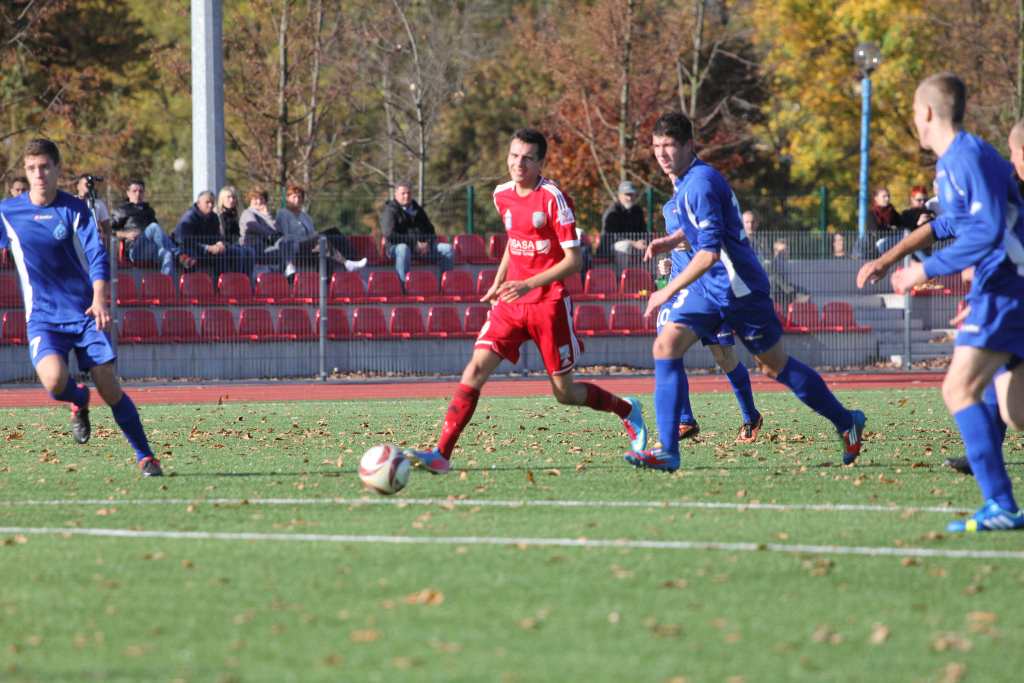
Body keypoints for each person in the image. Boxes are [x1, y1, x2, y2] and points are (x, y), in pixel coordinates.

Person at [627, 112, 864, 472]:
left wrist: (666, 291)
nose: (661, 154)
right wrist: (669, 241)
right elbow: (705, 231)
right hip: (709, 288)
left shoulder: (699, 183)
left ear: (690, 145)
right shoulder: (686, 181)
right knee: (665, 345)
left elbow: (707, 254)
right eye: (657, 146)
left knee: (774, 367)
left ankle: (846, 420)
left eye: (669, 146)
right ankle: (668, 450)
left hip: (739, 288)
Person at [405, 128, 647, 474]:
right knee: (474, 369)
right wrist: (500, 279)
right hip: (511, 304)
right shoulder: (501, 194)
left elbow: (573, 261)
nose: (519, 163)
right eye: (514, 155)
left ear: (540, 163)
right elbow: (514, 241)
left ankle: (626, 409)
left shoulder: (553, 198)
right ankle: (441, 454)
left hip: (549, 303)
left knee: (564, 393)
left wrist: (527, 284)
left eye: (528, 158)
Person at [857, 74, 1024, 532]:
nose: (915, 120)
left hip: (1004, 288)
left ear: (926, 113)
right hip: (1003, 288)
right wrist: (891, 258)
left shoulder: (966, 156)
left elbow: (987, 232)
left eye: (914, 112)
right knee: (1015, 412)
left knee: (958, 390)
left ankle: (1001, 505)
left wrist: (922, 270)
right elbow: (954, 225)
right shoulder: (956, 161)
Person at [0, 139, 162, 476]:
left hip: (85, 313)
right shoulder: (8, 212)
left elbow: (97, 254)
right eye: (32, 168)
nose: (39, 174)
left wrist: (99, 297)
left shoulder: (75, 209)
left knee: (108, 383)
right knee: (55, 382)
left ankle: (146, 456)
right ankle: (79, 399)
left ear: (58, 169)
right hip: (43, 319)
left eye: (45, 166)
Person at [648, 213, 762, 443]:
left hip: (709, 291)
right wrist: (669, 267)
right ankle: (685, 420)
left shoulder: (702, 198)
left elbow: (711, 241)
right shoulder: (670, 206)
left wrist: (683, 242)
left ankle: (751, 417)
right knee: (669, 350)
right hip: (678, 294)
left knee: (723, 357)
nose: (671, 175)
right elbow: (678, 246)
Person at [275, 184, 366, 278]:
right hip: (295, 247)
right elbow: (285, 235)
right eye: (294, 197)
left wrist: (315, 236)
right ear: (287, 199)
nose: (297, 199)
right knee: (322, 240)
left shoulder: (305, 216)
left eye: (299, 197)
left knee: (333, 233)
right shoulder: (283, 213)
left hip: (308, 246)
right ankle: (347, 263)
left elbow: (311, 232)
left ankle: (350, 262)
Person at [110, 179, 196, 275]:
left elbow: (158, 234)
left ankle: (166, 286)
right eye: (134, 191)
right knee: (154, 227)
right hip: (135, 249)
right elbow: (108, 230)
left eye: (141, 191)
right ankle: (180, 255)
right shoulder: (121, 210)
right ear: (128, 193)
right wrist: (125, 234)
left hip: (151, 248)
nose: (138, 194)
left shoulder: (149, 211)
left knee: (166, 254)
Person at [379, 181, 453, 287]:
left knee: (447, 249)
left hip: (421, 248)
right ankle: (403, 287)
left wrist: (427, 243)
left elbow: (431, 230)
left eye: (409, 193)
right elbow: (389, 235)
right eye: (403, 193)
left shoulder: (418, 209)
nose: (406, 196)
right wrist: (414, 243)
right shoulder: (390, 211)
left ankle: (446, 286)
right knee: (403, 249)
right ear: (396, 194)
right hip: (396, 249)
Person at [174, 190, 255, 280]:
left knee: (240, 252)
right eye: (207, 202)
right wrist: (207, 247)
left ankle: (240, 283)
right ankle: (221, 286)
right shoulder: (189, 217)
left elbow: (217, 236)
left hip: (212, 249)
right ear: (198, 203)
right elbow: (184, 240)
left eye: (212, 203)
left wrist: (219, 243)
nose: (210, 205)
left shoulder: (213, 217)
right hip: (192, 249)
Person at [599, 180, 648, 272]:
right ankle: (622, 279)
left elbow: (643, 231)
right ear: (619, 195)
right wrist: (633, 243)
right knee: (624, 246)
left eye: (632, 194)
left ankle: (652, 279)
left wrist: (644, 241)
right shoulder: (612, 212)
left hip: (634, 247)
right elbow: (612, 237)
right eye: (627, 194)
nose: (630, 198)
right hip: (609, 249)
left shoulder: (637, 211)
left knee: (653, 247)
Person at [238, 186, 282, 261]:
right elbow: (255, 226)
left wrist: (267, 215)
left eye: (261, 198)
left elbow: (277, 230)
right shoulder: (247, 213)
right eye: (255, 199)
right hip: (253, 247)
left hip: (267, 246)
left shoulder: (267, 214)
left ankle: (289, 269)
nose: (259, 201)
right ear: (250, 200)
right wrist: (271, 235)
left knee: (287, 243)